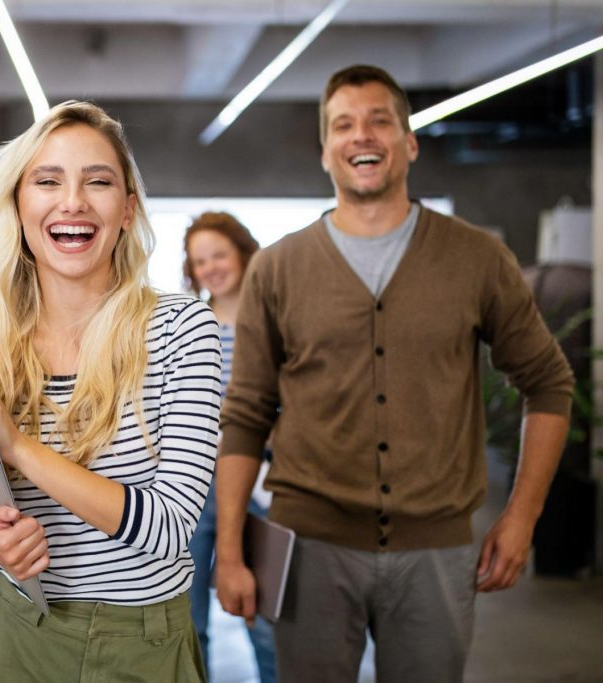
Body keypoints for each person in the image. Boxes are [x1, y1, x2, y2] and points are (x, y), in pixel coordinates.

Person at [215, 64, 574, 683]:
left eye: (381, 121)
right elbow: (245, 417)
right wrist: (229, 550)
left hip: (436, 551)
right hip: (310, 549)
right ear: (325, 151)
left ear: (409, 143)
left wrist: (520, 518)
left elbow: (550, 383)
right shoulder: (277, 269)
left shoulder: (476, 258)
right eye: (344, 125)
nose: (363, 136)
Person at [0, 101, 221, 681]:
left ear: (128, 209)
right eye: (47, 181)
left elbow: (167, 529)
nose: (73, 202)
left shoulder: (182, 331)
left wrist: (18, 449)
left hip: (143, 645)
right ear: (18, 203)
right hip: (17, 637)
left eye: (98, 182)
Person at [183, 211, 275, 681]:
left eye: (218, 254)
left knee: (264, 617)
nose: (211, 268)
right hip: (197, 484)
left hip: (262, 482)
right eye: (200, 261)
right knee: (188, 619)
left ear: (242, 252)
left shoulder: (273, 319)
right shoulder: (189, 326)